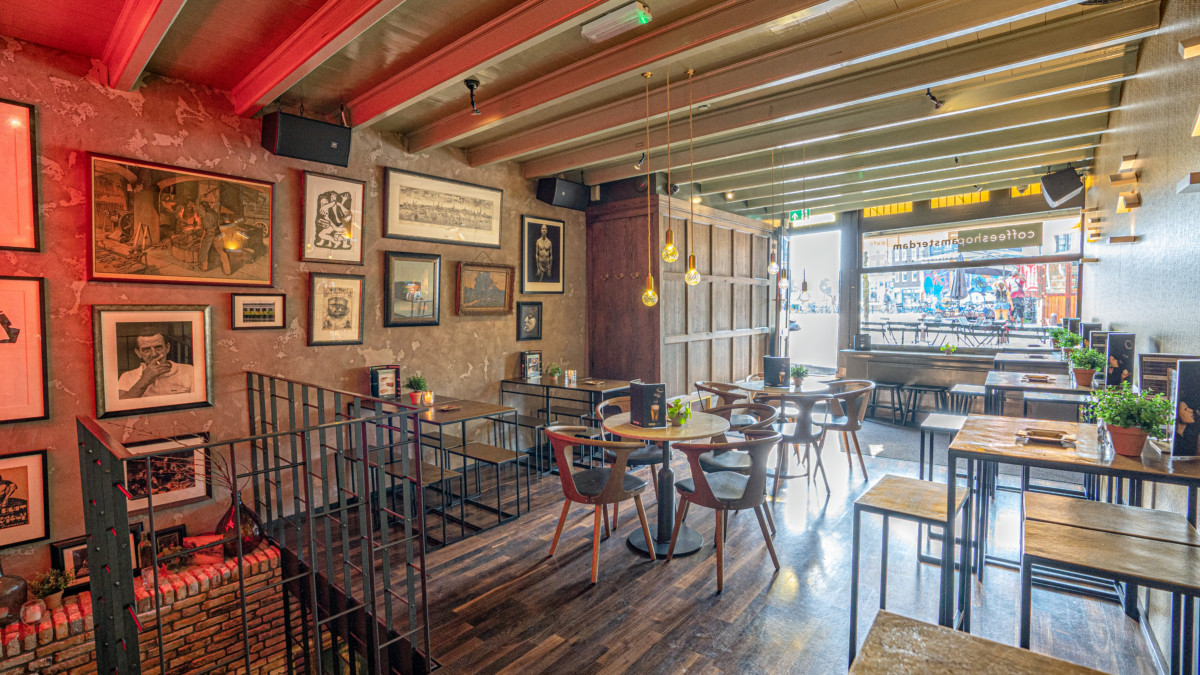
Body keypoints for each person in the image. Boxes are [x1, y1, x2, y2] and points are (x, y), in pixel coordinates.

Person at [117, 328, 194, 399]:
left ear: (167, 348)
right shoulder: (127, 376)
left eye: (158, 347)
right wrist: (144, 380)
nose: (154, 354)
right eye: (146, 349)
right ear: (138, 353)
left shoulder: (189, 370)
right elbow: (121, 407)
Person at [196, 199, 232, 275]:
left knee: (204, 249)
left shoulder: (204, 213)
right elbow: (217, 203)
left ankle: (203, 268)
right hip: (217, 232)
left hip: (209, 233)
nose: (200, 207)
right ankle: (228, 271)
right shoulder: (214, 212)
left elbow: (196, 208)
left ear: (203, 207)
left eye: (201, 206)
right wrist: (215, 195)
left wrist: (199, 199)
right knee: (221, 251)